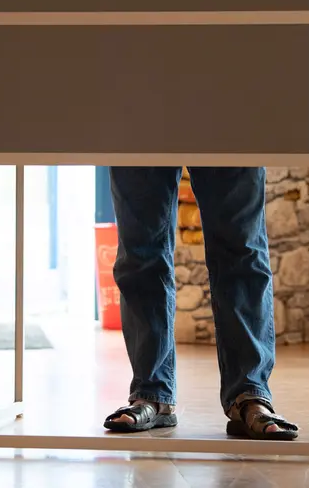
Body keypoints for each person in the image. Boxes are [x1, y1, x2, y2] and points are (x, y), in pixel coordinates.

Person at [102, 167, 298, 440]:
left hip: (227, 126)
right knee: (140, 254)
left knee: (242, 249)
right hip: (139, 125)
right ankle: (151, 393)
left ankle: (250, 393)